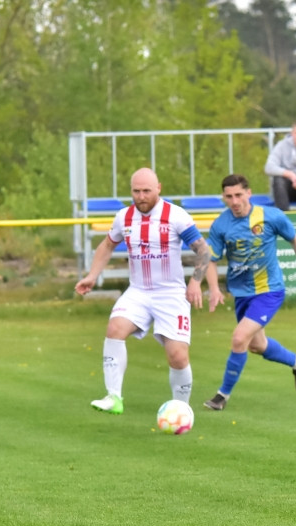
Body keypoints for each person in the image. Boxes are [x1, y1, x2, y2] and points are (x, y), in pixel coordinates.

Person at [75, 167, 216, 415]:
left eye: (146, 191)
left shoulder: (176, 216)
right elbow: (107, 245)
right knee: (115, 328)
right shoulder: (124, 217)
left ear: (159, 188)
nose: (141, 196)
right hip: (138, 291)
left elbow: (204, 251)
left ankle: (180, 409)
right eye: (136, 191)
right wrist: (92, 275)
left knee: (177, 356)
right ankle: (114, 397)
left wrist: (195, 282)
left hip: (171, 293)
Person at [201, 174, 296, 411]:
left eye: (239, 195)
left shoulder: (270, 216)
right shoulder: (221, 225)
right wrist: (214, 288)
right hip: (242, 294)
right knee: (256, 345)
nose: (235, 201)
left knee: (240, 338)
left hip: (269, 291)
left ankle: (222, 396)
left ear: (249, 193)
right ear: (224, 198)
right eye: (229, 196)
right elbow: (211, 260)